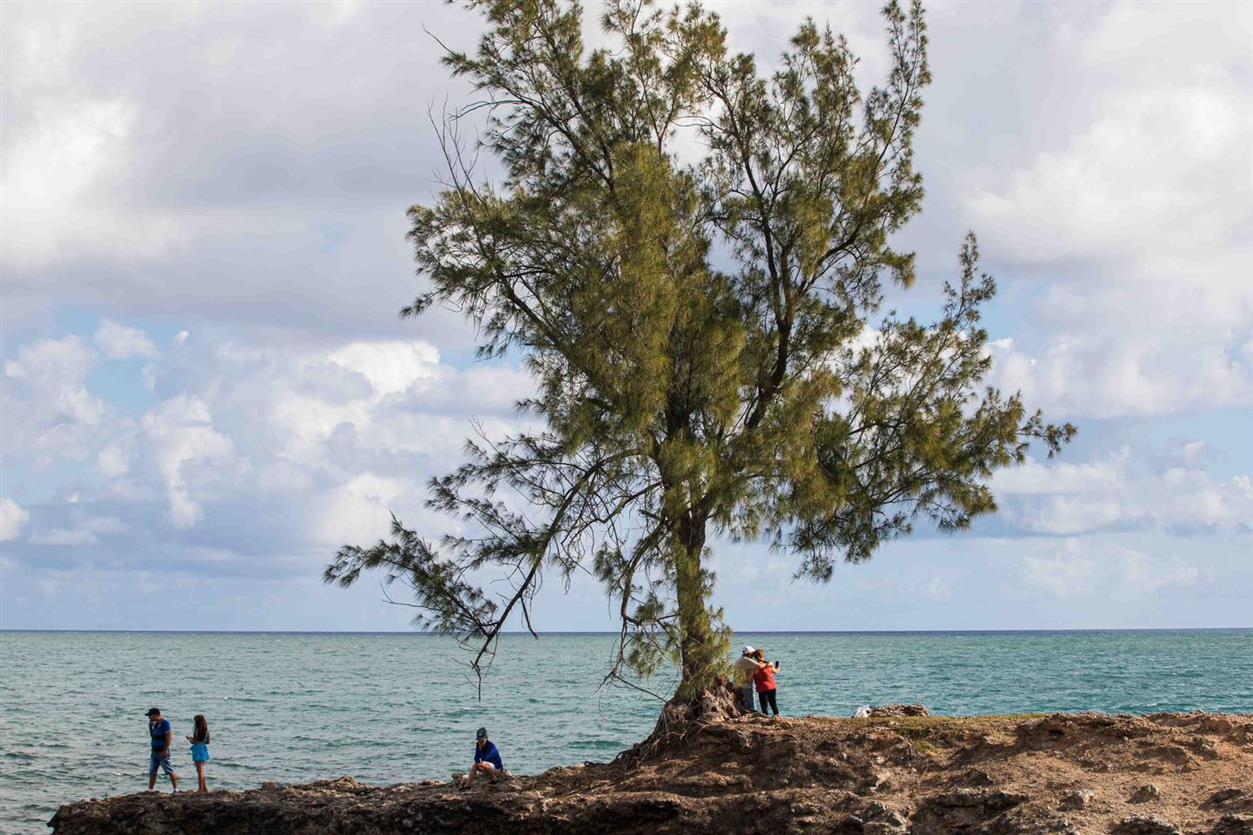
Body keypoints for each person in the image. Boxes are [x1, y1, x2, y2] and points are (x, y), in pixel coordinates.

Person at [145, 708, 179, 792]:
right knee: (152, 771)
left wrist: (165, 750)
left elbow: (169, 737)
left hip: (162, 751)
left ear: (156, 715)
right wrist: (150, 727)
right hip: (154, 751)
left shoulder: (165, 723)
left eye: (150, 716)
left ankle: (176, 788)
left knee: (169, 770)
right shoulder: (156, 724)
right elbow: (153, 736)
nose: (149, 717)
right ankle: (150, 789)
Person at [733, 645, 766, 713]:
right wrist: (768, 664)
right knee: (752, 705)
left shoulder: (740, 659)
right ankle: (755, 717)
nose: (754, 656)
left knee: (746, 704)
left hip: (739, 684)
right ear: (750, 653)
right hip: (745, 686)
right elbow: (759, 666)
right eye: (753, 653)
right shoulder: (747, 660)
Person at [752, 649, 781, 718]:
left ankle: (765, 718)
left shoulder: (754, 667)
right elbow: (776, 671)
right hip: (772, 686)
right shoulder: (769, 665)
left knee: (764, 705)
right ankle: (777, 717)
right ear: (763, 656)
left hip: (762, 688)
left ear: (755, 658)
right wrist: (778, 667)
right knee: (773, 703)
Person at [186, 714, 211, 793]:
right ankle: (205, 788)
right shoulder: (206, 729)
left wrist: (190, 738)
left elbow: (194, 741)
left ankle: (200, 789)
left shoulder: (197, 729)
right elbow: (208, 741)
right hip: (203, 748)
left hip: (197, 749)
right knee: (200, 769)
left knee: (200, 770)